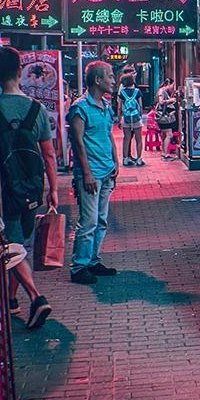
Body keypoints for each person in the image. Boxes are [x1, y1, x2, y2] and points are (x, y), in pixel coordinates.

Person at [0, 47, 56, 329]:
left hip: (4, 188)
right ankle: (10, 300)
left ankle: (36, 297)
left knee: (13, 245)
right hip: (32, 186)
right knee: (18, 241)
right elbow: (49, 154)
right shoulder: (37, 109)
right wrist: (53, 189)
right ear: (21, 72)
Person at [67, 61, 120, 285]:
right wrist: (86, 174)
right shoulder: (79, 108)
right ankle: (79, 266)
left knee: (101, 220)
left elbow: (109, 135)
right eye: (109, 76)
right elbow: (77, 143)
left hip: (107, 171)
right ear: (97, 80)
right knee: (88, 222)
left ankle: (93, 261)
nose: (113, 81)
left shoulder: (106, 105)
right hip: (90, 174)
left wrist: (116, 163)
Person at [118, 73, 145, 166]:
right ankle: (139, 159)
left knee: (126, 138)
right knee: (138, 139)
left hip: (126, 118)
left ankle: (125, 158)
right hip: (136, 118)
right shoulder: (137, 91)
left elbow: (119, 107)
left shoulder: (122, 93)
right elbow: (140, 105)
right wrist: (140, 117)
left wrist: (119, 119)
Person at [155, 78, 179, 160]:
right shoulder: (162, 91)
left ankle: (164, 153)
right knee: (169, 134)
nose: (173, 88)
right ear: (168, 84)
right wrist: (170, 100)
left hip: (165, 116)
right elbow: (161, 102)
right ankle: (165, 154)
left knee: (165, 135)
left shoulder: (164, 92)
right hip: (164, 116)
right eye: (172, 85)